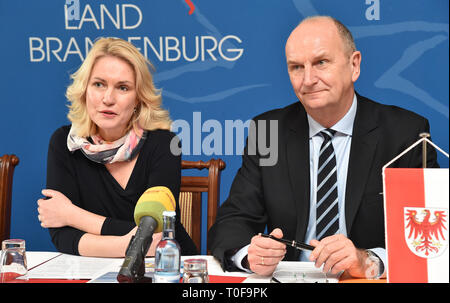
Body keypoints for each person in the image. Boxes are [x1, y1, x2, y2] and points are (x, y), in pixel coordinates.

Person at [207, 16, 439, 278]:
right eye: (296, 67)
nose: (308, 79)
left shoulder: (405, 134)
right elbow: (232, 222)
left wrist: (369, 260)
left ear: (354, 65)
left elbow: (430, 237)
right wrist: (250, 255)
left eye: (321, 63)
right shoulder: (267, 130)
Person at [37, 37, 197, 257]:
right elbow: (63, 237)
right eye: (99, 84)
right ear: (85, 90)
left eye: (122, 87)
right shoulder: (65, 144)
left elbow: (157, 235)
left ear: (138, 99)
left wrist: (72, 215)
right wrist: (128, 244)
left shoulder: (165, 144)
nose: (108, 98)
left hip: (167, 269)